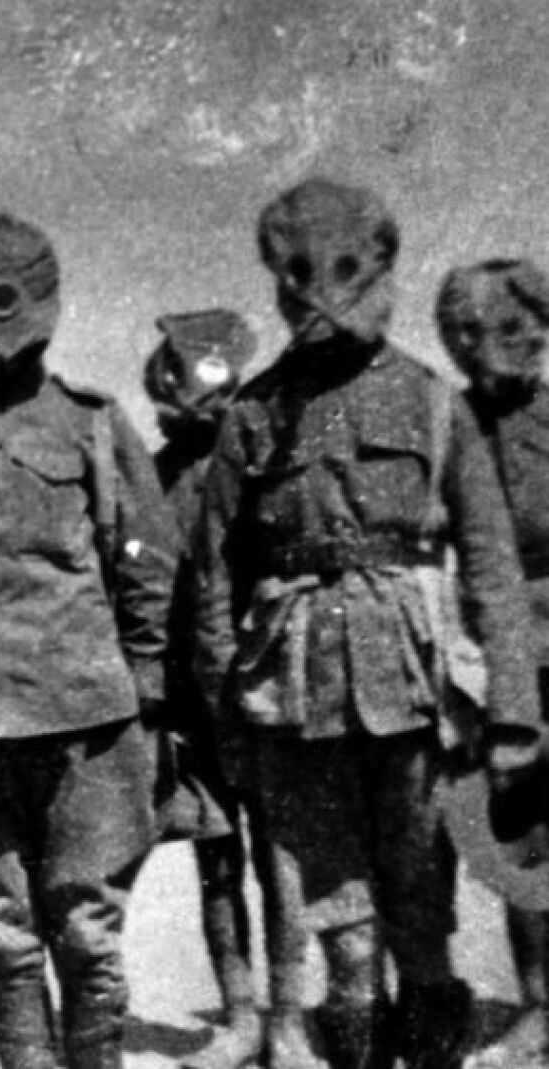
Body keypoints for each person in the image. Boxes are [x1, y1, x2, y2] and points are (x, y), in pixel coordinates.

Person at [192, 178, 543, 1069]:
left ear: (380, 271)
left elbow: (491, 569)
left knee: (421, 908)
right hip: (292, 695)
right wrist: (226, 718)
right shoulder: (252, 413)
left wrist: (512, 715)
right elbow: (213, 580)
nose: (317, 293)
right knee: (341, 928)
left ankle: (428, 1035)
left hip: (413, 690)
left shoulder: (432, 401)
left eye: (343, 268)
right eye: (297, 271)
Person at [0, 213, 177, 1069]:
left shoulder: (90, 422)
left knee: (84, 928)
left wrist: (145, 683)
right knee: (5, 931)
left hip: (84, 724)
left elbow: (145, 559)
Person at [140, 310, 313, 1069]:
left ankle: (287, 1020)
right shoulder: (153, 475)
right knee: (215, 859)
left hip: (263, 686)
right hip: (191, 698)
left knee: (280, 858)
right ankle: (240, 1016)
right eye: (177, 377)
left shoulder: (264, 460)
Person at [434, 257, 549, 1065]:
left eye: (520, 328)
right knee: (519, 837)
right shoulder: (447, 426)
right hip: (491, 662)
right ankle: (539, 1003)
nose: (504, 346)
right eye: (471, 332)